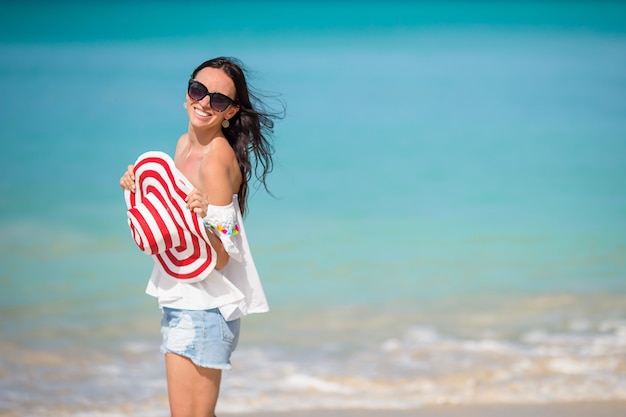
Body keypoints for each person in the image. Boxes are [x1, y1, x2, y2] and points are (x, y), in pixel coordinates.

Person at [119, 57, 281, 417]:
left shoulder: (216, 159)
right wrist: (139, 187)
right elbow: (173, 222)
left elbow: (223, 257)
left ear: (230, 112)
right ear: (186, 93)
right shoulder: (182, 145)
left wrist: (206, 216)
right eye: (198, 91)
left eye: (218, 100)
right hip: (181, 298)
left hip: (208, 308)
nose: (204, 103)